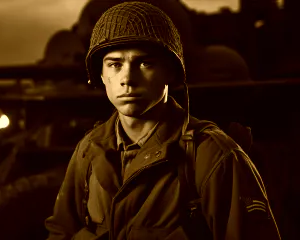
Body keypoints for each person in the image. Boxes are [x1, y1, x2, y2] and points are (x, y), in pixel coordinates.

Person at [45, 2, 281, 239]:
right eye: (115, 64)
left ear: (171, 72)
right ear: (101, 75)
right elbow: (61, 232)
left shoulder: (212, 157)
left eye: (145, 63)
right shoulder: (89, 150)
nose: (127, 78)